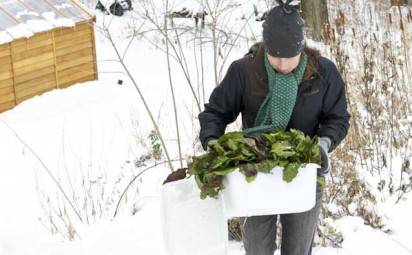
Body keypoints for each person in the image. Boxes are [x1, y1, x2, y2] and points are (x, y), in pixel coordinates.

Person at [198, 1, 350, 254]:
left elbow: (338, 118)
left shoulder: (323, 73)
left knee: (298, 249)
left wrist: (324, 142)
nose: (281, 64)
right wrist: (213, 142)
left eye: (288, 58)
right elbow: (215, 112)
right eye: (274, 56)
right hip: (254, 172)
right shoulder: (244, 71)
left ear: (302, 48)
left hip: (302, 173)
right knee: (256, 248)